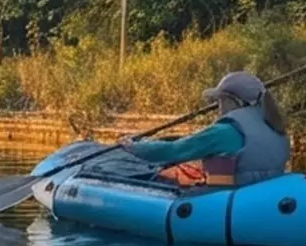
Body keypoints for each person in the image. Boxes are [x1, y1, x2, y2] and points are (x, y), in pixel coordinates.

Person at [121, 70, 290, 188]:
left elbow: (173, 151)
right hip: (264, 194)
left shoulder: (225, 132)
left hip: (233, 199)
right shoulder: (274, 124)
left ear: (232, 100)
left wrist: (134, 147)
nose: (218, 106)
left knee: (164, 178)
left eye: (219, 101)